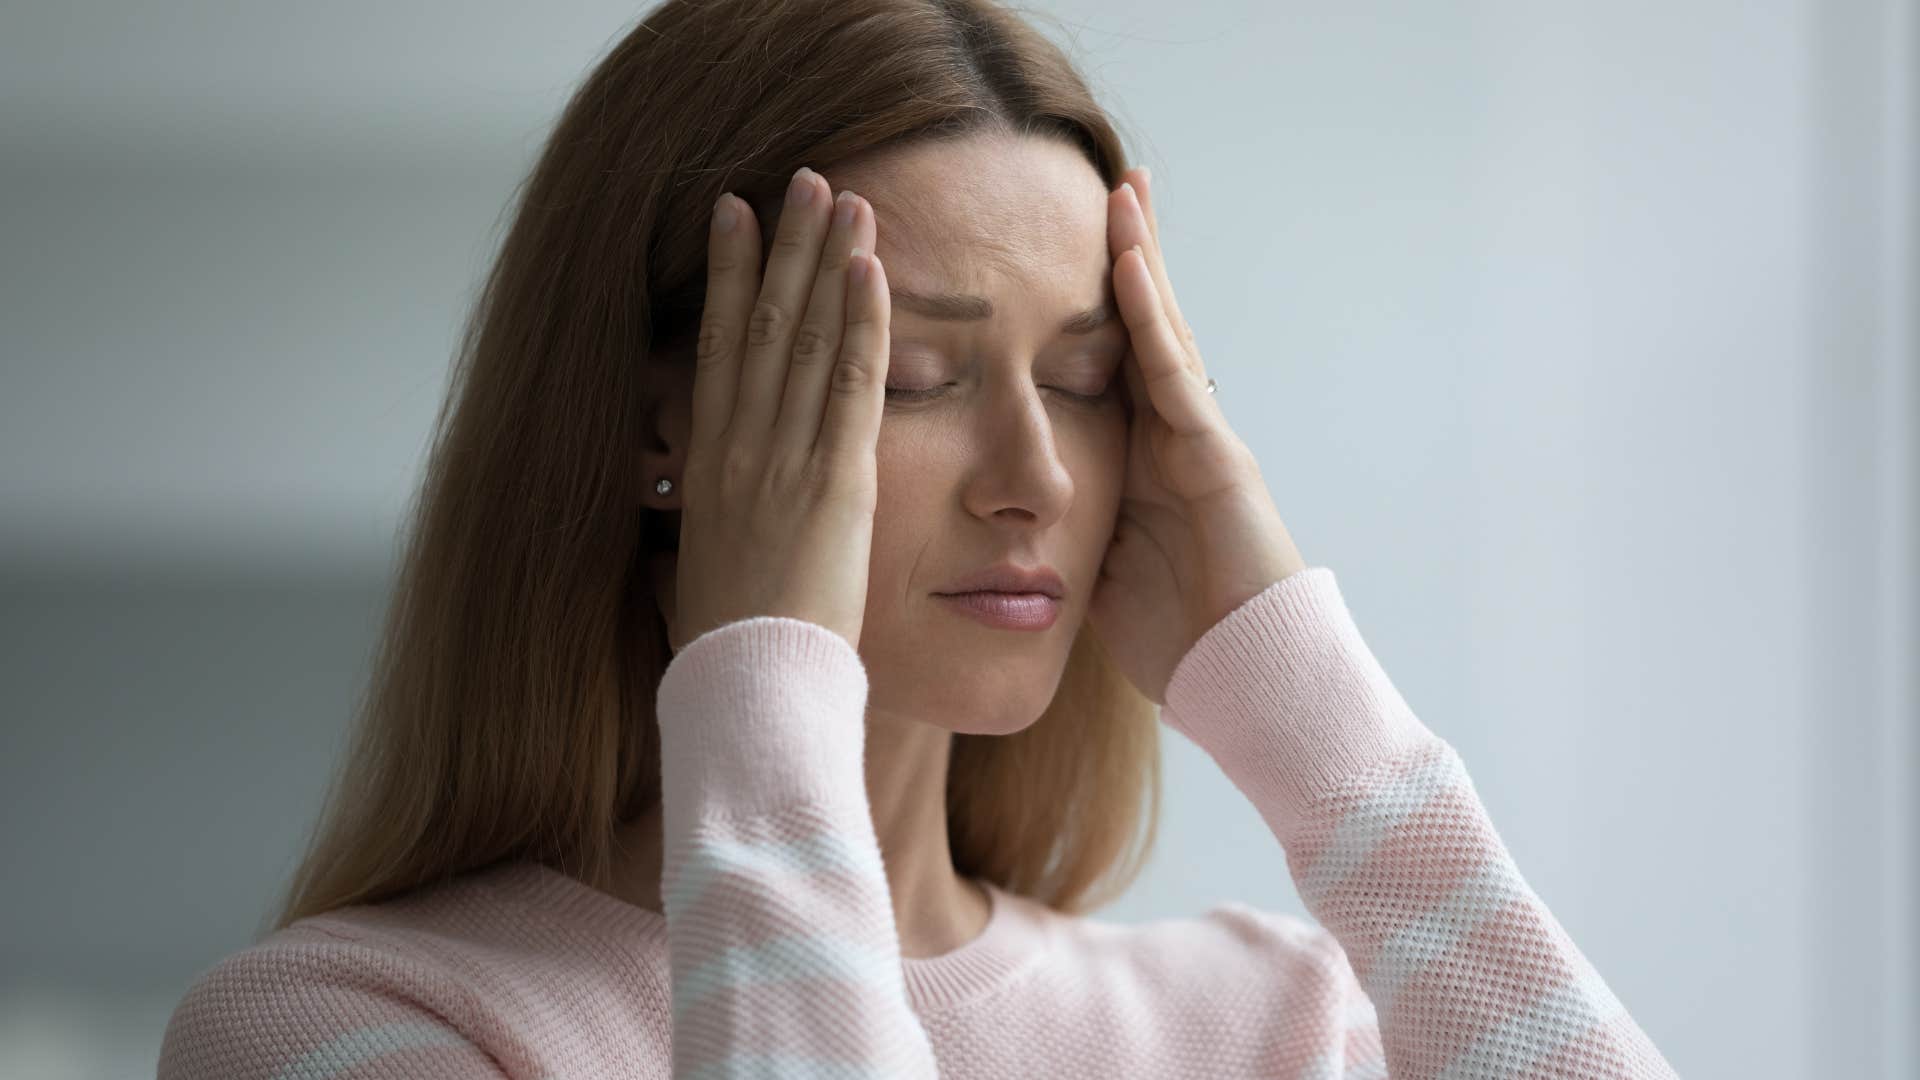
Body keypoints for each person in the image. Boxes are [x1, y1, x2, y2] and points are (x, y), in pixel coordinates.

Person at [158, 0, 1680, 1076]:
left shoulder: (1271, 1029)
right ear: (654, 431)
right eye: (914, 376)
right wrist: (765, 691)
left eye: (1090, 383)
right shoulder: (344, 1027)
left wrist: (1311, 715)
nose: (1042, 479)